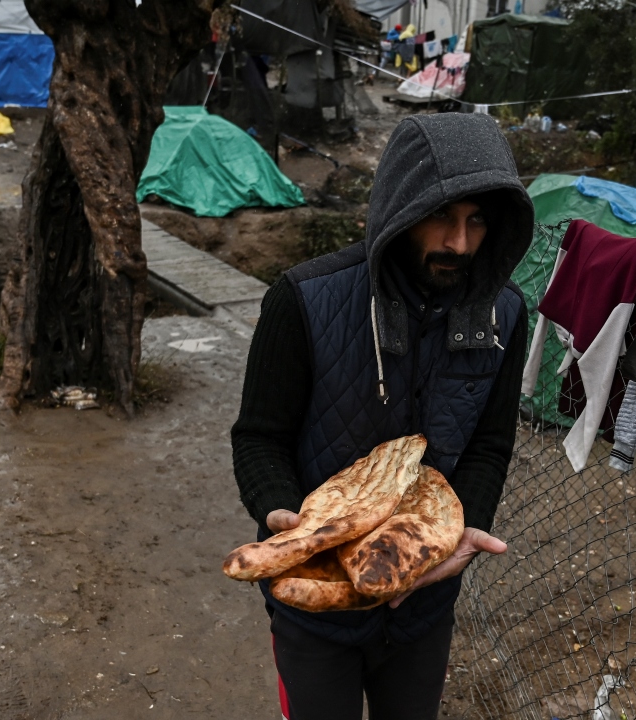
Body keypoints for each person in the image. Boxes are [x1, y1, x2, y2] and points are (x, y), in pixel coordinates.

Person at [231, 112, 533, 720]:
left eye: (477, 221)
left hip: (423, 605)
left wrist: (458, 531)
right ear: (401, 209)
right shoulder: (304, 299)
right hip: (316, 607)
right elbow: (259, 438)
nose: (460, 243)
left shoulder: (503, 313)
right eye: (441, 217)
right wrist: (285, 519)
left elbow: (489, 445)